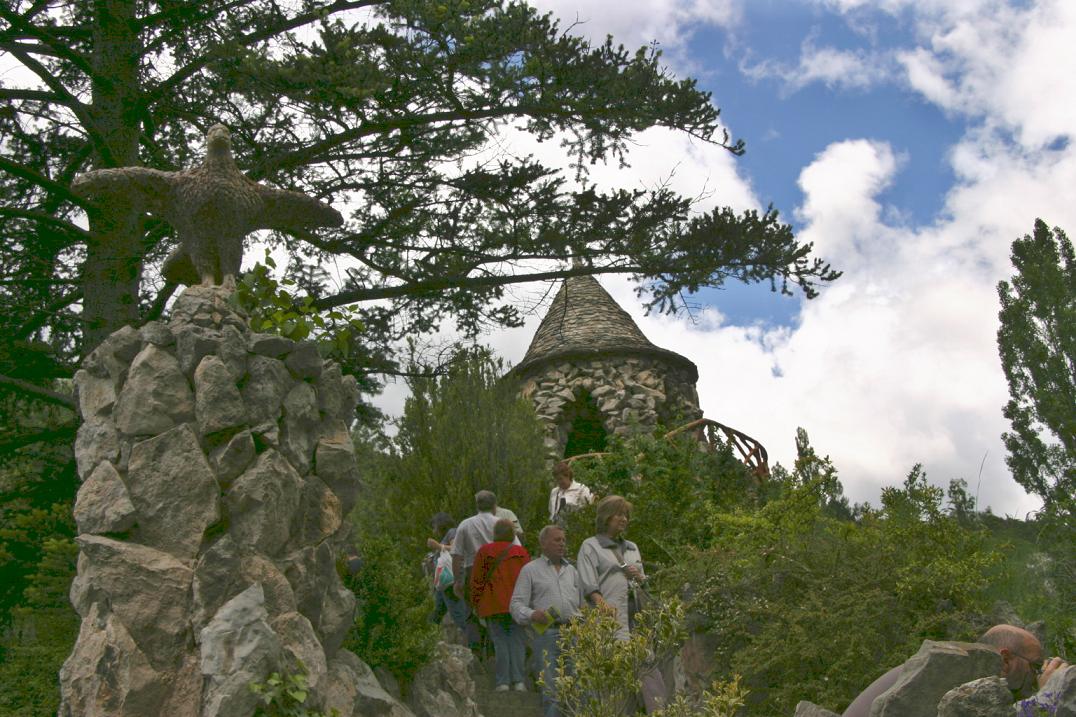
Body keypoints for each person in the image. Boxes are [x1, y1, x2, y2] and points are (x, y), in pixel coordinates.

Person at [841, 624, 1069, 716]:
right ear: (1006, 661)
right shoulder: (953, 679)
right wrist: (1048, 696)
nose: (1039, 675)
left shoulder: (954, 668)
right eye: (1037, 666)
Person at [577, 495, 666, 713]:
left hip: (637, 619)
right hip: (610, 621)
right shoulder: (590, 546)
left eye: (626, 515)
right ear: (606, 517)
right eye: (618, 514)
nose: (623, 519)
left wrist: (639, 577)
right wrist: (601, 605)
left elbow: (644, 584)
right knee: (616, 678)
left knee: (648, 672)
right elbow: (588, 584)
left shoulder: (633, 548)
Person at [511, 524, 585, 717]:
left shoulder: (573, 571)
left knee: (579, 688)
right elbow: (516, 605)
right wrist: (532, 614)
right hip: (547, 633)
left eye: (563, 540)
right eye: (557, 540)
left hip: (574, 633)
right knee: (552, 689)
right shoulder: (530, 570)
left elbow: (582, 603)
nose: (562, 544)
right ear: (543, 543)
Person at [470, 518, 531, 692]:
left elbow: (477, 581)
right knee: (518, 642)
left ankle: (502, 682)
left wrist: (475, 603)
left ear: (494, 534)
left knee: (500, 643)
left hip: (493, 604)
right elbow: (529, 580)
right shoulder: (521, 552)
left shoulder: (484, 551)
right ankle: (519, 681)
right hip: (517, 606)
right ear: (512, 534)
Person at [451, 490, 521, 603]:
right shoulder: (503, 524)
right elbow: (517, 549)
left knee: (475, 608)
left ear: (477, 506)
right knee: (499, 605)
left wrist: (457, 581)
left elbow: (457, 555)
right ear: (494, 506)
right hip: (500, 570)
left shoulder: (465, 525)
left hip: (473, 571)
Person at [425, 512, 472, 643]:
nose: (433, 530)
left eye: (434, 526)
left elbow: (456, 549)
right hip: (443, 584)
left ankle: (473, 642)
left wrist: (438, 546)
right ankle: (427, 638)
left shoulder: (452, 532)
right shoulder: (448, 535)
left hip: (451, 581)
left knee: (458, 614)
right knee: (437, 611)